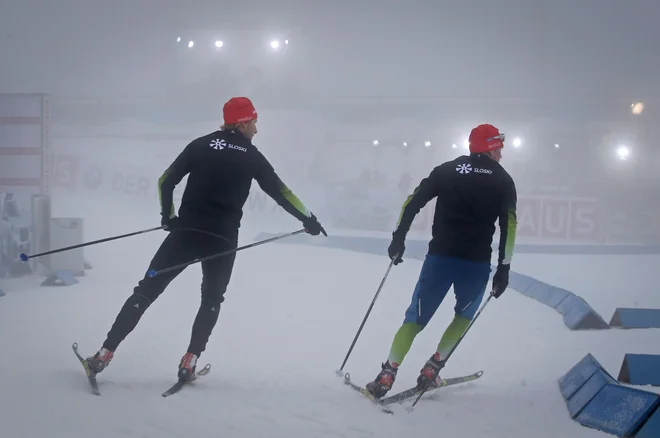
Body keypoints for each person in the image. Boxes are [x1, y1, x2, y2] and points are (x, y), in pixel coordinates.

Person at [85, 96, 326, 382]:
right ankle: (190, 361)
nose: (257, 130)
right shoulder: (252, 156)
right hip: (222, 241)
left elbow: (166, 180)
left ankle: (103, 354)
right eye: (255, 123)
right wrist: (308, 219)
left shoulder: (199, 145)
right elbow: (282, 192)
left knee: (146, 291)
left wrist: (168, 217)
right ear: (244, 122)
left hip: (185, 234)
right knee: (211, 298)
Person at [365, 123, 517, 398]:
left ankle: (387, 373)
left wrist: (399, 237)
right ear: (490, 147)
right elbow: (510, 226)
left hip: (440, 259)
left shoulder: (447, 170)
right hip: (476, 264)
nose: (501, 155)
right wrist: (504, 268)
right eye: (499, 148)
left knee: (414, 319)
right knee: (464, 316)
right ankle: (432, 368)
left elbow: (412, 203)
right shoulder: (503, 180)